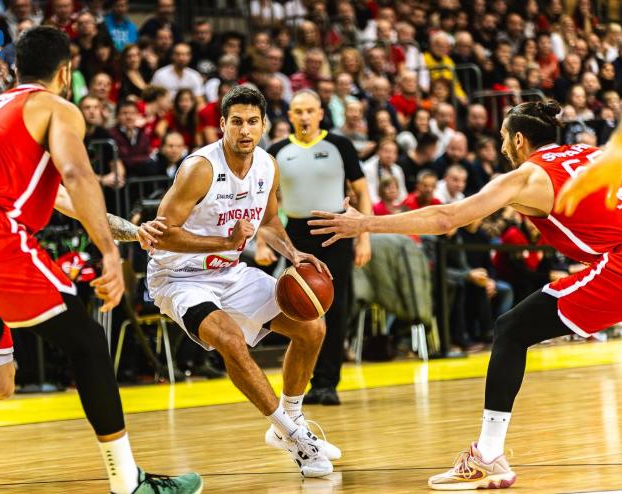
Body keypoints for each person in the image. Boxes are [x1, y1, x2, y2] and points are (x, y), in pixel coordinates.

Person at [0, 26, 200, 494]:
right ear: (65, 73)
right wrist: (108, 254)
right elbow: (78, 174)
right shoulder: (22, 120)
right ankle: (124, 480)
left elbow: (72, 202)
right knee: (75, 345)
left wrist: (130, 231)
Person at [308, 100, 622, 490]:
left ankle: (487, 457)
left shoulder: (528, 176)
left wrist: (366, 223)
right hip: (611, 257)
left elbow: (446, 218)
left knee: (512, 330)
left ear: (518, 139)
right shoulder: (591, 154)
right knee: (515, 327)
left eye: (504, 138)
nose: (503, 147)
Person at [148, 85, 340, 478]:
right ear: (222, 124)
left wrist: (293, 254)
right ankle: (295, 438)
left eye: (253, 121)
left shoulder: (267, 166)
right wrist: (225, 242)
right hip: (180, 277)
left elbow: (268, 221)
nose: (245, 130)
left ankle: (291, 420)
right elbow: (161, 235)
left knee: (312, 327)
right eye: (236, 122)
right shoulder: (200, 168)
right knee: (231, 340)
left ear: (264, 125)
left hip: (229, 271)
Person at [267, 89, 372, 405]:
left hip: (336, 231)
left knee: (336, 309)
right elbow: (266, 202)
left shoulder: (340, 145)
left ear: (321, 114)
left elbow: (363, 191)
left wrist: (364, 236)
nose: (304, 117)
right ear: (290, 116)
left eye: (310, 111)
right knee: (300, 309)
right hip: (297, 235)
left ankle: (327, 383)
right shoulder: (276, 151)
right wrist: (262, 241)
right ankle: (302, 385)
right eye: (298, 111)